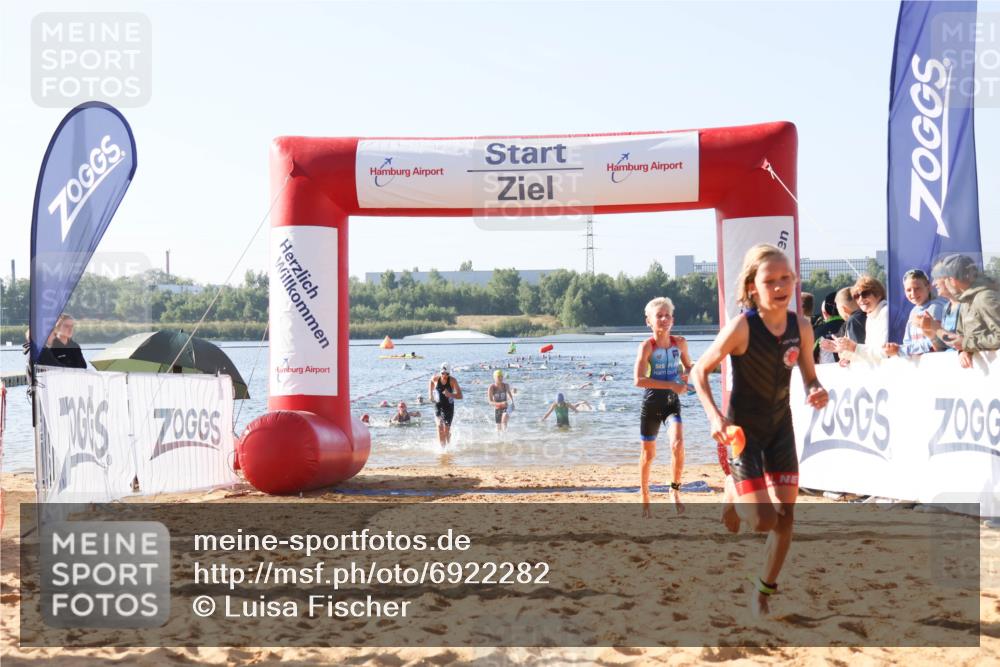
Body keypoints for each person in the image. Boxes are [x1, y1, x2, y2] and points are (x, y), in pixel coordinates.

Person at [691, 244, 828, 618]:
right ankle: (733, 489)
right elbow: (698, 371)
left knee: (786, 517)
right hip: (743, 434)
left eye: (787, 278)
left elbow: (810, 378)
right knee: (763, 521)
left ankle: (763, 592)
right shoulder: (742, 327)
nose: (781, 286)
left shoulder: (800, 326)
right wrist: (714, 417)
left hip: (780, 428)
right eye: (771, 280)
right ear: (753, 287)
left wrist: (817, 391)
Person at [634, 296, 693, 517]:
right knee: (648, 455)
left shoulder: (680, 343)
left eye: (667, 315)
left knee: (678, 445)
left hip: (671, 404)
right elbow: (638, 380)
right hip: (651, 404)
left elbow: (688, 366)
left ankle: (674, 490)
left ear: (673, 320)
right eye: (659, 316)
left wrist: (686, 377)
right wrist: (671, 384)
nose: (664, 319)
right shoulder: (647, 347)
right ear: (649, 321)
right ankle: (644, 493)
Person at [930, 254, 1000, 367]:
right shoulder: (965, 302)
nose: (934, 283)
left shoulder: (985, 298)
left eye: (945, 278)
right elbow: (963, 338)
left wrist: (965, 344)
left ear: (952, 280)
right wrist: (963, 350)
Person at [883, 269, 947, 359]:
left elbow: (935, 342)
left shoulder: (936, 308)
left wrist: (901, 350)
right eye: (908, 290)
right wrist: (898, 348)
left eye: (917, 288)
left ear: (928, 287)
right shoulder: (913, 311)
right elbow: (907, 342)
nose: (913, 293)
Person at [833, 276, 888, 365]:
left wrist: (854, 347)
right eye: (856, 296)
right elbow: (870, 352)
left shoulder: (886, 313)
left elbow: (884, 352)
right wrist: (849, 357)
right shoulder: (871, 316)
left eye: (865, 294)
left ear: (878, 294)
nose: (861, 299)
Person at [919, 260, 963, 352]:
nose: (934, 283)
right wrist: (931, 336)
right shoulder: (947, 307)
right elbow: (944, 348)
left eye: (937, 277)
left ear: (951, 278)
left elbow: (963, 343)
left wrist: (936, 327)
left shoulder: (969, 305)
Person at [429, 363, 462, 446]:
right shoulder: (435, 379)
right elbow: (431, 381)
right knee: (439, 426)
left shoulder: (452, 381)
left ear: (449, 373)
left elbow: (460, 396)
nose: (444, 375)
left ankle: (448, 446)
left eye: (447, 374)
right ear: (440, 372)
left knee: (446, 430)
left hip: (448, 407)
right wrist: (430, 394)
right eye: (443, 373)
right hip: (438, 405)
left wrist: (450, 394)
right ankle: (442, 448)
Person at [812, 292, 845, 363]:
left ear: (825, 313)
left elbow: (810, 357)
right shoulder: (854, 324)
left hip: (828, 372)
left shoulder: (819, 331)